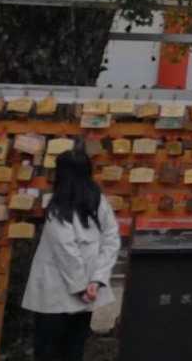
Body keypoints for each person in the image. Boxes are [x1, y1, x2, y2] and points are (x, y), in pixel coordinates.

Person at [21, 148, 121, 361]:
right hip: (86, 294)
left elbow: (66, 251)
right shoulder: (98, 202)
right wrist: (96, 280)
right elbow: (111, 241)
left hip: (56, 296)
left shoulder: (58, 207)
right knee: (73, 350)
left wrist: (83, 287)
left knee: (49, 351)